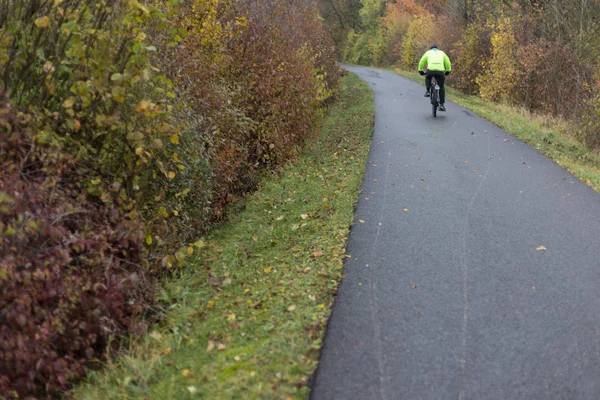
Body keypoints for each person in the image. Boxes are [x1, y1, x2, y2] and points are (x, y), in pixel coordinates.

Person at [418, 44, 452, 111]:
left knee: (428, 77)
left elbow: (421, 61)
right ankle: (442, 105)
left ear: (431, 49)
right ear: (437, 49)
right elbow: (448, 62)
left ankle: (428, 91)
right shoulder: (442, 53)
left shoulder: (428, 52)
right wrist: (448, 71)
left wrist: (420, 71)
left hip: (431, 70)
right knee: (441, 87)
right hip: (440, 71)